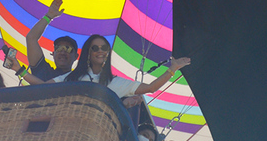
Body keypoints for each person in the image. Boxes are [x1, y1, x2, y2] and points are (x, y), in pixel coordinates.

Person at [17, 34, 190, 99]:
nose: (100, 51)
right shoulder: (74, 78)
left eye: (104, 48)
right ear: (88, 53)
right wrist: (19, 70)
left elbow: (151, 88)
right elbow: (42, 87)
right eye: (95, 48)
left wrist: (172, 70)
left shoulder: (116, 83)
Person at [24, 0, 79, 80]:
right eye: (59, 48)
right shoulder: (44, 72)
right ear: (53, 54)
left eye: (68, 48)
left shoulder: (79, 79)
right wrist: (49, 16)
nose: (63, 52)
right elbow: (31, 38)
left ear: (76, 56)